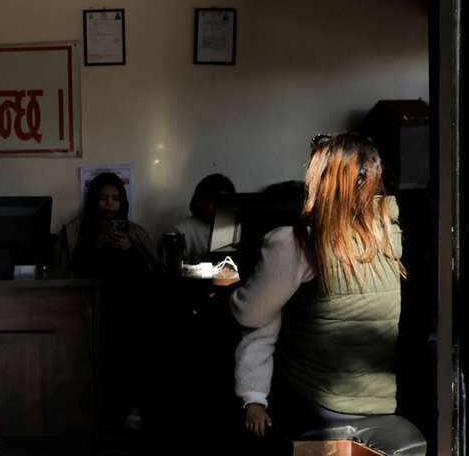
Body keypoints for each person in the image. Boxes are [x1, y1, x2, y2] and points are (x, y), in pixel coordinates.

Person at [230, 134, 424, 454]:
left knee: (259, 328)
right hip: (383, 396)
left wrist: (231, 296)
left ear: (320, 179)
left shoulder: (300, 241)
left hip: (321, 400)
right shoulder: (392, 232)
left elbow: (250, 313)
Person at [67, 171, 155, 430]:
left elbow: (150, 272)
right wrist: (96, 245)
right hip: (86, 310)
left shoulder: (135, 232)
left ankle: (130, 411)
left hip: (126, 310)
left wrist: (129, 249)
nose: (109, 204)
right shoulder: (76, 231)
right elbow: (69, 270)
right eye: (103, 198)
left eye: (115, 199)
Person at [174, 173, 236, 263]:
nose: (220, 207)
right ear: (199, 201)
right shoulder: (182, 231)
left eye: (226, 202)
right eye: (214, 202)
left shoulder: (233, 228)